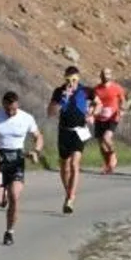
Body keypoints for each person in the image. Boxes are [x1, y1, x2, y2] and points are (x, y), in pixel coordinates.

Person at [0, 91, 43, 246]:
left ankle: (9, 232)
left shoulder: (26, 118)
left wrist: (35, 151)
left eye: (14, 110)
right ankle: (2, 199)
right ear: (3, 105)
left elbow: (38, 136)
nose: (11, 112)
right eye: (8, 109)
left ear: (18, 105)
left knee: (14, 196)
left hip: (17, 161)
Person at [47, 65, 93, 214]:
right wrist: (62, 99)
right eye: (68, 79)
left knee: (74, 163)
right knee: (64, 167)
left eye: (74, 80)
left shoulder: (85, 91)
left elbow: (98, 102)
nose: (71, 83)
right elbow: (51, 112)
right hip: (64, 131)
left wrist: (92, 113)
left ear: (78, 79)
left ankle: (70, 198)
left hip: (79, 131)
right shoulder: (59, 92)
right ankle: (69, 193)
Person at [91, 67, 126, 174]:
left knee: (107, 138)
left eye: (107, 73)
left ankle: (113, 155)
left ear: (111, 75)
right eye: (103, 74)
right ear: (100, 76)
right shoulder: (96, 89)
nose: (105, 75)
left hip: (113, 117)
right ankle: (108, 165)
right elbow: (93, 103)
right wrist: (91, 113)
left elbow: (123, 100)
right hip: (100, 118)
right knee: (101, 144)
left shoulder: (117, 88)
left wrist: (122, 109)